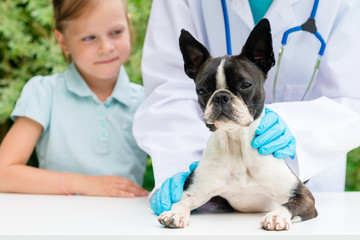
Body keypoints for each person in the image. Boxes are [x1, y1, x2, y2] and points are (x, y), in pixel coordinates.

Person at [133, 0, 360, 214]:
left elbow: (352, 98)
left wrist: (295, 127)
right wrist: (188, 172)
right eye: (206, 90)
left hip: (310, 184)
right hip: (212, 196)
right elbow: (168, 91)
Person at [0, 0, 148, 198]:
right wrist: (83, 183)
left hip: (123, 224)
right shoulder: (45, 93)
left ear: (128, 27)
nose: (106, 47)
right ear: (63, 42)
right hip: (57, 223)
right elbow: (3, 174)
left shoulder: (146, 102)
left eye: (116, 32)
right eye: (89, 38)